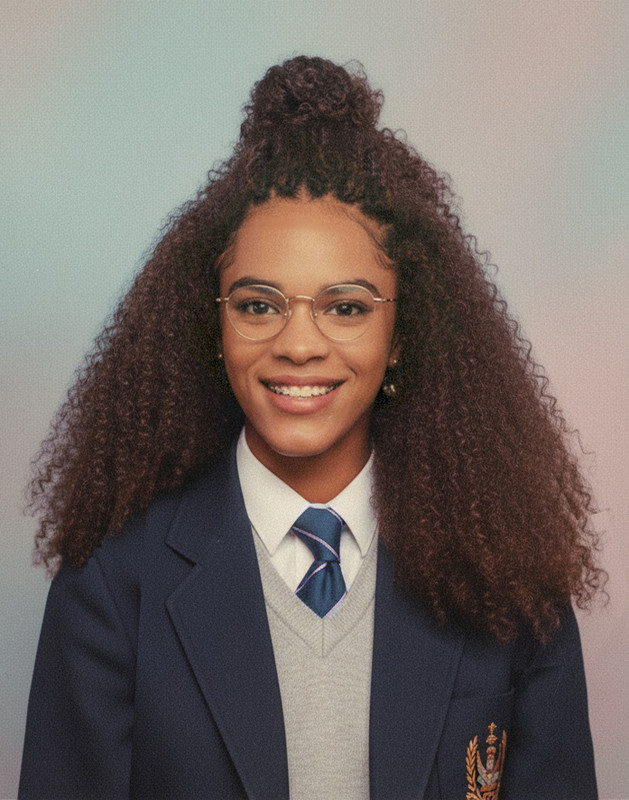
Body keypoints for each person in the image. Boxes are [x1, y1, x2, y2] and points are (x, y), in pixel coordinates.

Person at [19, 56, 605, 800]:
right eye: (258, 305)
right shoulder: (111, 584)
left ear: (401, 333)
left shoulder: (508, 575)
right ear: (214, 327)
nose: (298, 345)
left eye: (346, 307)